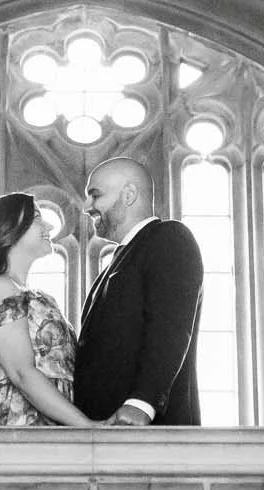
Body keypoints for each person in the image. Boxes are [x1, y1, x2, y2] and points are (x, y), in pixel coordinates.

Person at [72, 156, 203, 426]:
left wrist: (142, 403)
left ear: (129, 194)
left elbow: (171, 327)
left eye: (95, 195)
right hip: (104, 432)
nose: (87, 207)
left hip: (148, 432)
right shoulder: (113, 264)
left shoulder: (169, 238)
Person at [0, 192, 97, 427]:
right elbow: (22, 373)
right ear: (7, 230)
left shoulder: (24, 292)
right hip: (21, 424)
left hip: (53, 422)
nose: (50, 225)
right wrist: (89, 427)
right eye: (37, 217)